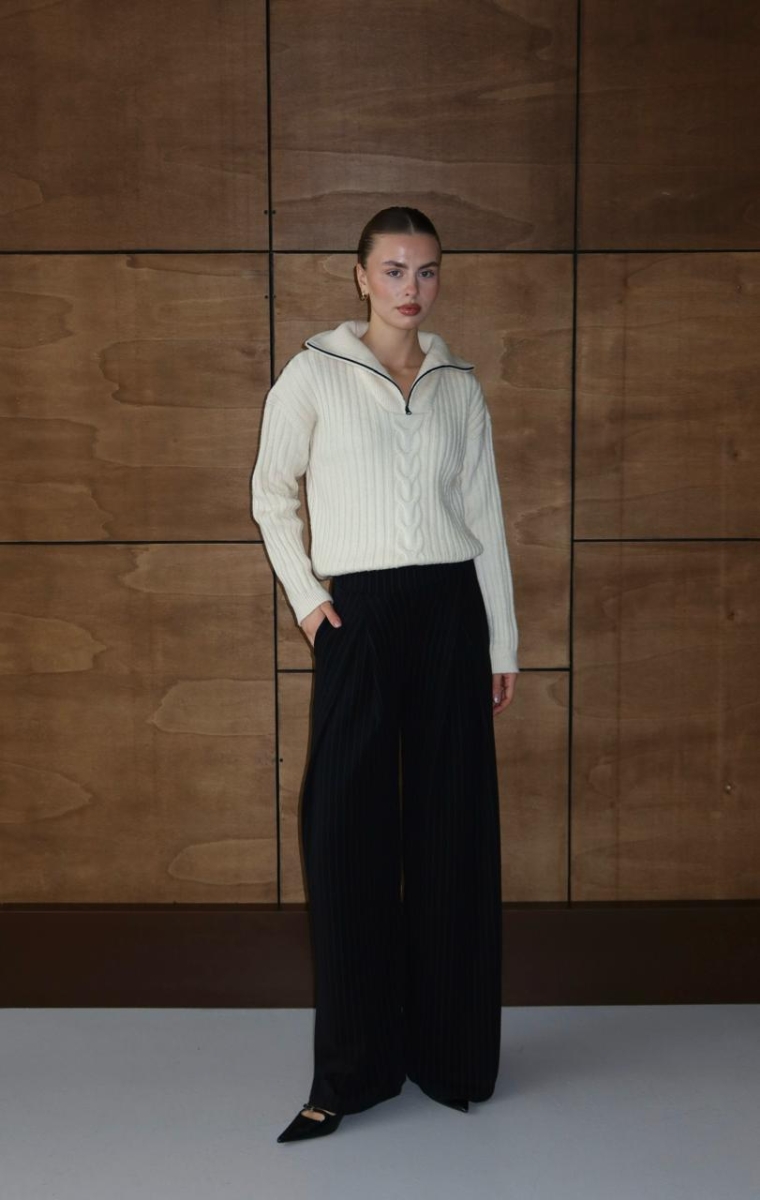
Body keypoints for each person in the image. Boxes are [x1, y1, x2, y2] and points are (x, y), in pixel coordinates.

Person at [250, 205, 519, 1143]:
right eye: (395, 270)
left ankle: (449, 1056)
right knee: (345, 832)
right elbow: (269, 492)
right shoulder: (314, 372)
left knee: (452, 831)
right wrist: (309, 602)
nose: (413, 288)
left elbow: (485, 517)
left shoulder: (457, 384)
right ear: (360, 275)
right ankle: (352, 1072)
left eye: (428, 270)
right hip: (359, 616)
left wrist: (502, 645)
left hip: (451, 613)